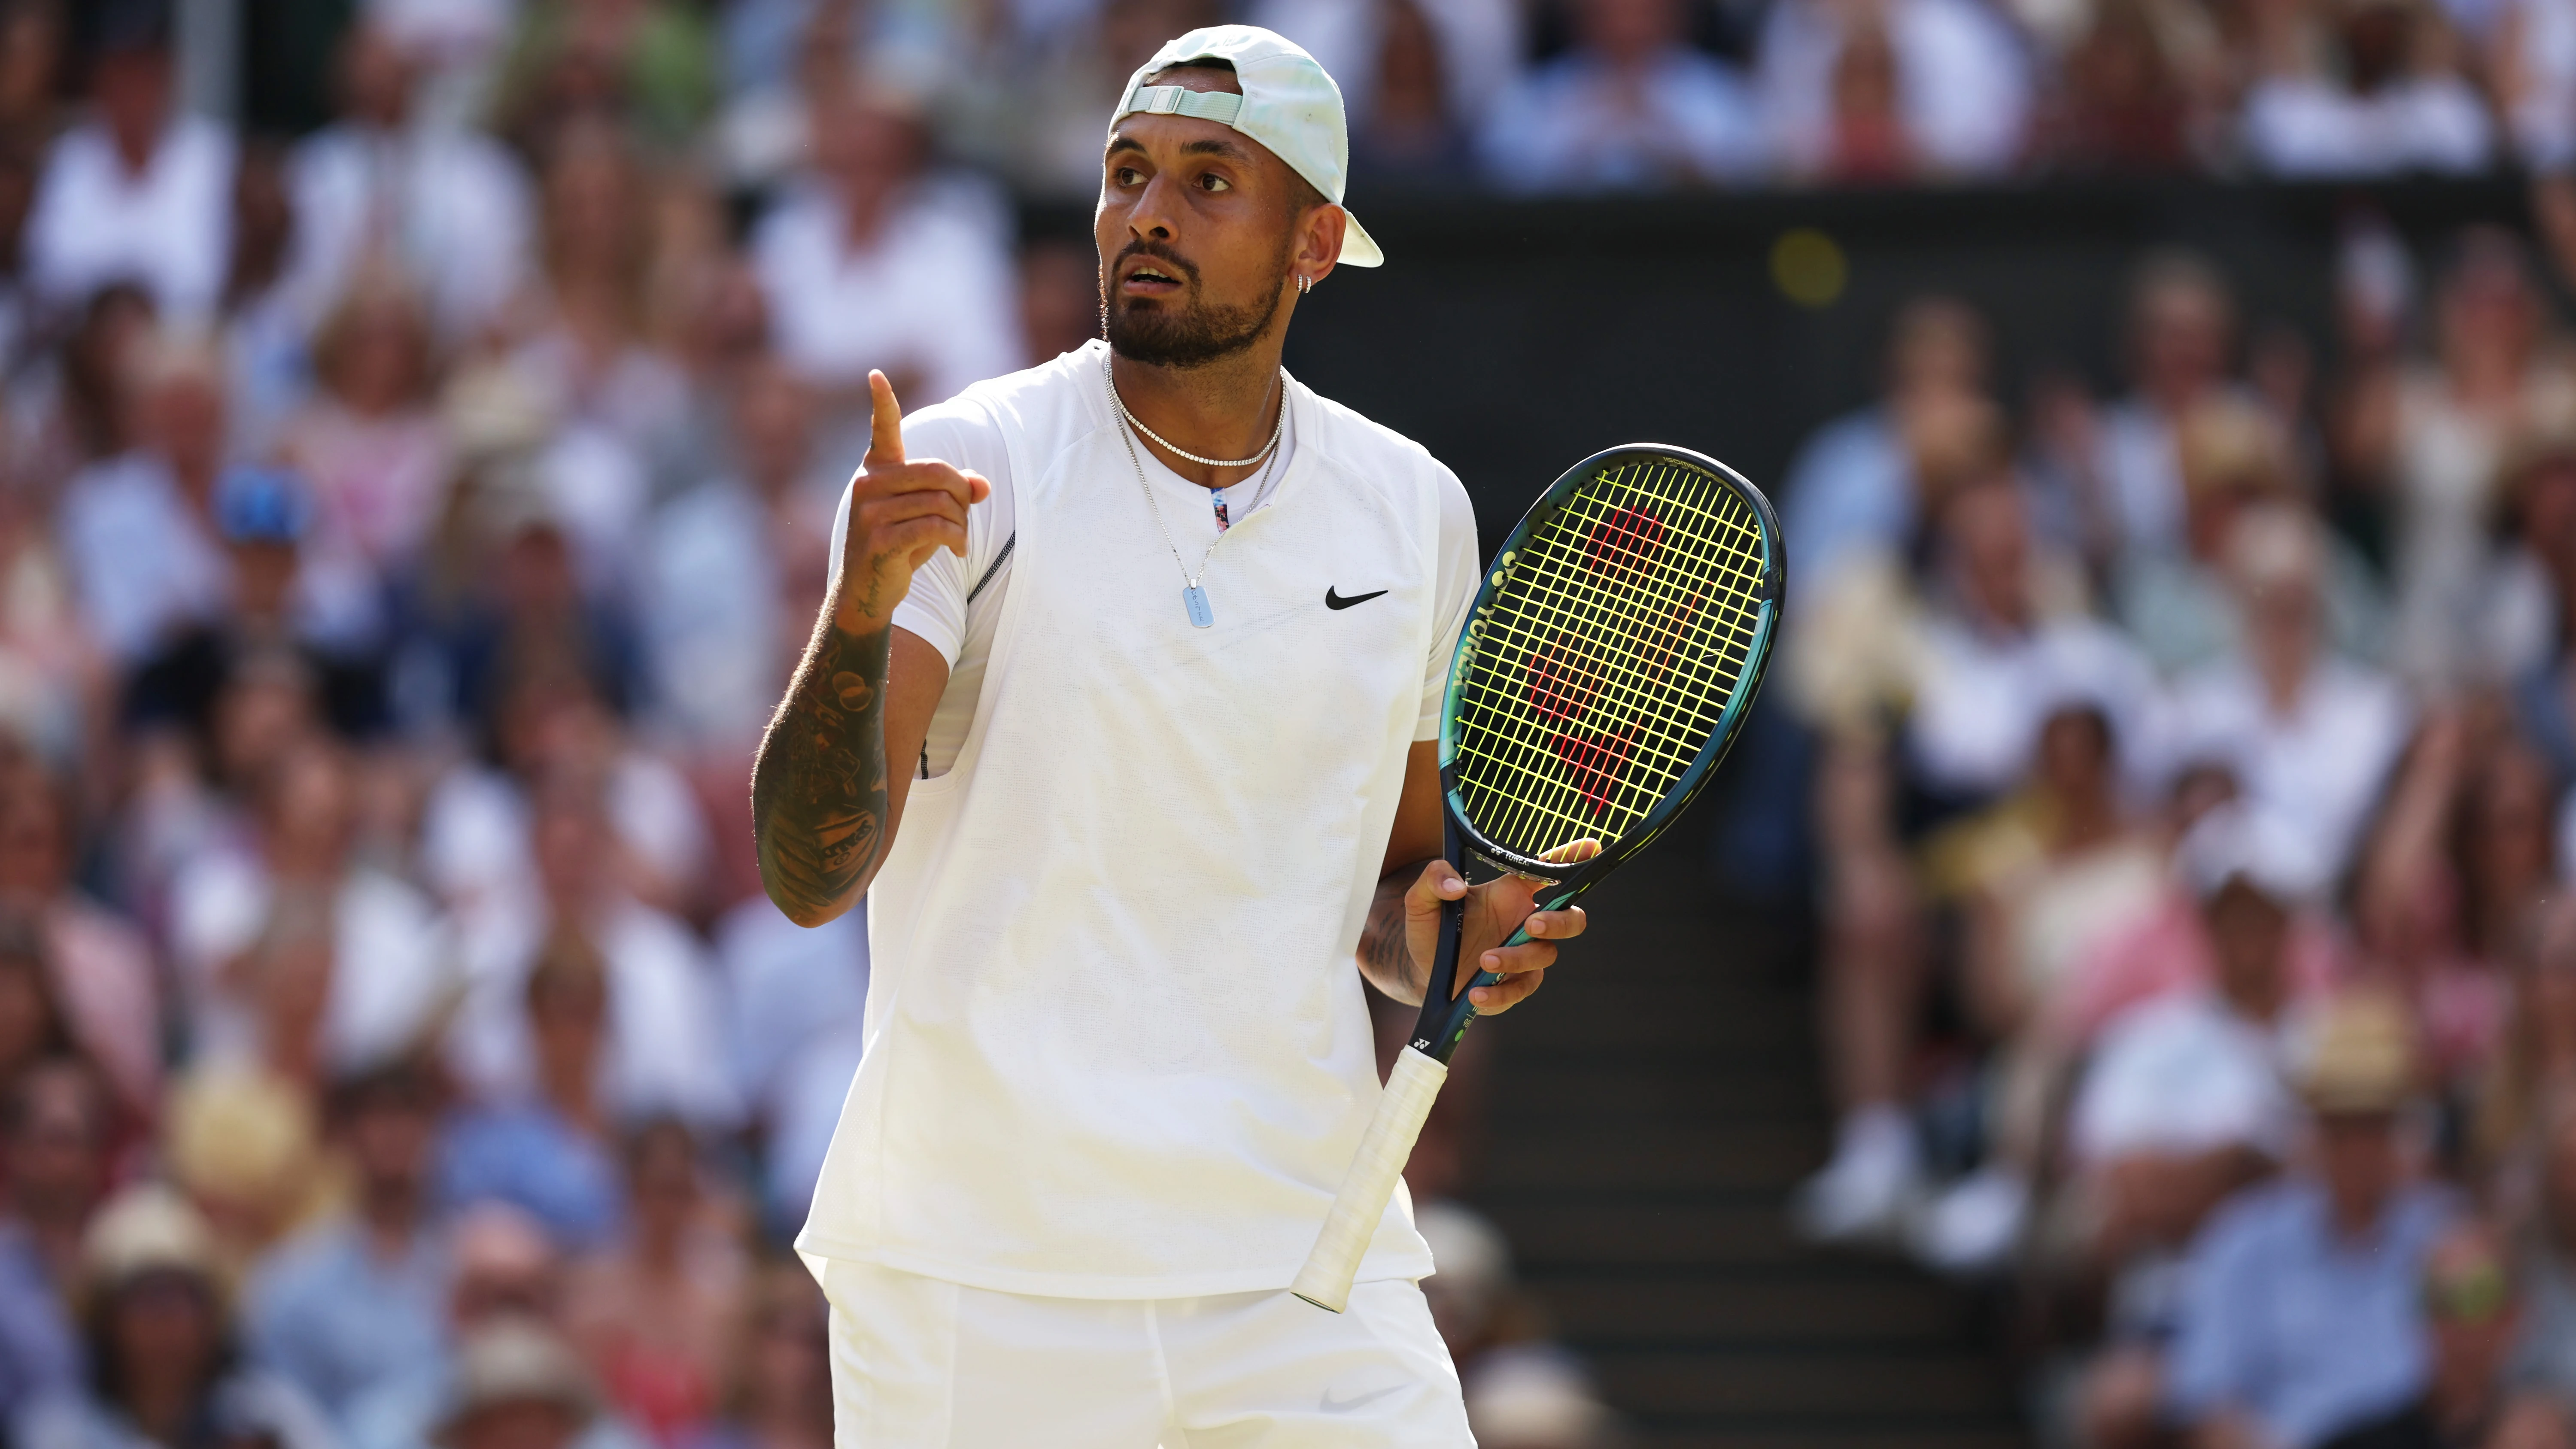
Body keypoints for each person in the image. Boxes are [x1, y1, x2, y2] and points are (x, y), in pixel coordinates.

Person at [750, 25, 1581, 1441]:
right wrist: (857, 621)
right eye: (1128, 173)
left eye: (1209, 181)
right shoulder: (967, 468)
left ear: (1314, 243)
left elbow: (1391, 898)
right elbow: (811, 871)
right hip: (979, 1280)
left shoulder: (1416, 509)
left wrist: (1463, 932)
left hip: (1303, 1274)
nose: (1148, 212)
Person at [2160, 992, 2461, 1449]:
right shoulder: (2246, 1238)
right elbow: (2207, 1400)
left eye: (2374, 1125)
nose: (2359, 1147)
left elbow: (2484, 1380)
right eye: (2342, 1127)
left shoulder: (2446, 1232)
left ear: (2400, 1130)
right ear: (2314, 1131)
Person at [246, 1059, 452, 1431]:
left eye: (410, 1113)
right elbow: (284, 1417)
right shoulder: (292, 1282)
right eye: (377, 1116)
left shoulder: (471, 1267)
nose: (395, 1132)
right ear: (345, 1136)